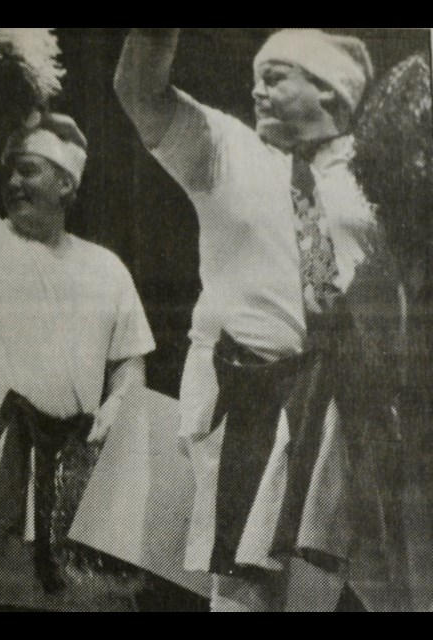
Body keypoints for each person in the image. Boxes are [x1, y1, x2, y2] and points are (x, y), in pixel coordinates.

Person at [115, 28, 390, 611]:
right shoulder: (225, 147)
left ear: (330, 94)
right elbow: (139, 92)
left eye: (274, 78)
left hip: (344, 400)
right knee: (242, 584)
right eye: (255, 79)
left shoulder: (381, 178)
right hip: (246, 389)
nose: (256, 91)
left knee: (341, 590)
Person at [0, 96, 156, 611]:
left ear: (66, 184)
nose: (13, 183)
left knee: (92, 599)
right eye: (9, 173)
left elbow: (129, 363)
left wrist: (118, 403)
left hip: (71, 454)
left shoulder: (106, 267)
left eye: (28, 171)